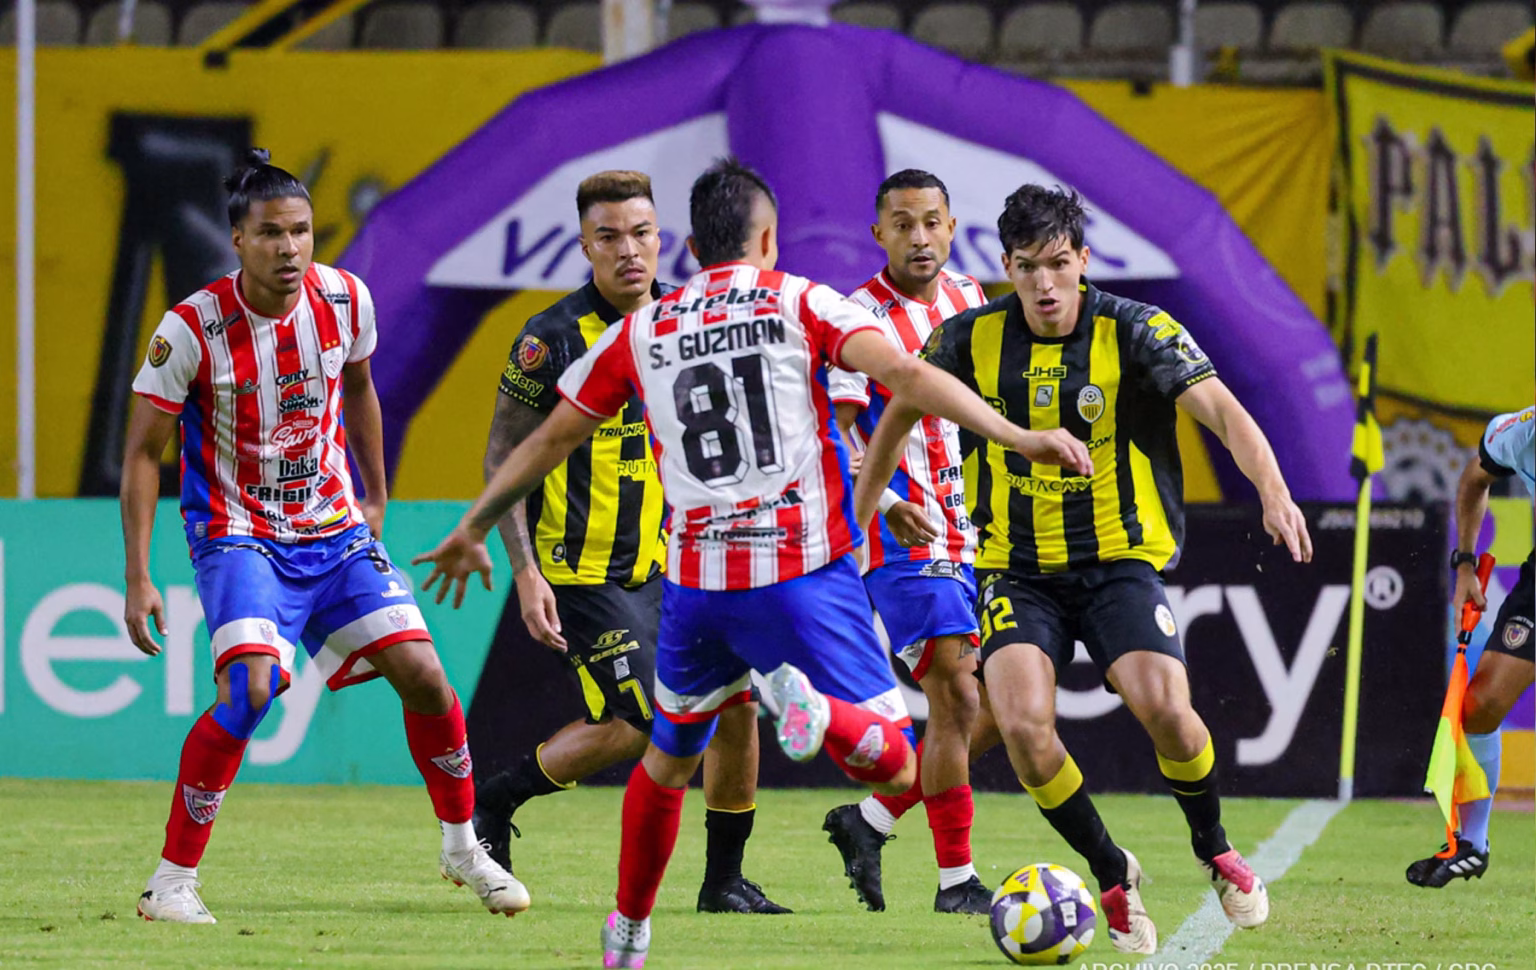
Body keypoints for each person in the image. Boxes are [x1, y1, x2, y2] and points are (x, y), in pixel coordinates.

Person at [413, 158, 1091, 969]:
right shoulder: (803, 302)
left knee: (667, 759)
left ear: (689, 247)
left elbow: (550, 437)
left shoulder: (642, 331)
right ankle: (813, 710)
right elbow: (908, 376)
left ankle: (628, 931)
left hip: (694, 587)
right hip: (800, 573)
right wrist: (1020, 436)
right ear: (768, 240)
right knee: (894, 756)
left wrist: (474, 525)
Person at [854, 184, 1312, 954]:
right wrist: (861, 514)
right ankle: (1110, 872)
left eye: (1059, 264)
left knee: (1165, 708)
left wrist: (1273, 491)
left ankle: (1215, 848)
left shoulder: (1138, 330)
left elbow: (1223, 411)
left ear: (1084, 260)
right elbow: (899, 409)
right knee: (1023, 728)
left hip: (1117, 562)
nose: (1044, 283)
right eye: (1027, 266)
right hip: (1014, 568)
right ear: (1005, 267)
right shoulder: (967, 338)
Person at [122, 149, 526, 924]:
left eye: (301, 231)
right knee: (250, 690)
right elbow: (143, 453)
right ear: (238, 239)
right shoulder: (191, 329)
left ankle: (462, 846)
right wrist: (138, 576)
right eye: (272, 233)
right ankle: (170, 882)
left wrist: (377, 494)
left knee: (426, 677)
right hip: (239, 534)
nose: (290, 248)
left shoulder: (344, 297)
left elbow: (363, 388)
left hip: (333, 528)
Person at [470, 170, 786, 915]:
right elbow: (502, 457)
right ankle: (501, 799)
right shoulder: (550, 340)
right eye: (608, 237)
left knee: (731, 708)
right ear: (585, 246)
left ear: (661, 238)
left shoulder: (687, 322)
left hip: (678, 566)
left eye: (641, 234)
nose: (628, 250)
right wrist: (526, 574)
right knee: (656, 721)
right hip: (585, 574)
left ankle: (722, 881)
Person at [820, 169, 992, 915]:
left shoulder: (971, 298)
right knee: (956, 694)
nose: (919, 237)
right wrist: (886, 501)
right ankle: (957, 883)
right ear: (879, 234)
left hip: (975, 531)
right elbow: (836, 430)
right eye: (902, 224)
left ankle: (870, 819)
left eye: (931, 222)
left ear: (951, 227)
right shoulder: (856, 317)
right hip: (904, 538)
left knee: (995, 712)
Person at [1407, 405, 1534, 887]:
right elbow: (1474, 480)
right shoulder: (1516, 433)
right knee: (1478, 708)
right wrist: (1464, 563)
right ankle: (1472, 844)